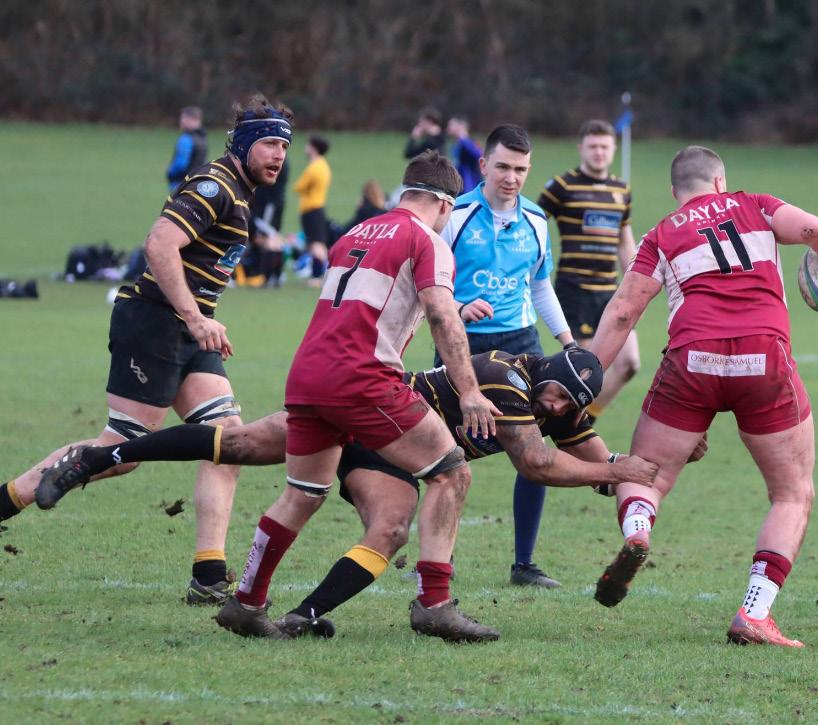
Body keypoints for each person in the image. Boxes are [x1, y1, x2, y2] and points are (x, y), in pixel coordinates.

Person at [36, 348, 670, 638]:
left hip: (386, 451)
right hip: (371, 414)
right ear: (546, 373)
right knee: (240, 444)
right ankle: (100, 456)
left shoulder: (557, 406)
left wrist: (634, 465)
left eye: (567, 405)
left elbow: (594, 459)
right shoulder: (506, 378)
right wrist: (622, 472)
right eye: (555, 395)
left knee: (390, 525)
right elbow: (538, 464)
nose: (555, 407)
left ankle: (300, 617)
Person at [0, 94, 293, 606]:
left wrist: (202, 319)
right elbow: (159, 244)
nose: (279, 155)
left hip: (187, 330)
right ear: (245, 143)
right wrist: (195, 316)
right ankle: (9, 499)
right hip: (154, 324)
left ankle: (208, 577)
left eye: (284, 147)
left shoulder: (241, 194)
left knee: (228, 442)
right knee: (123, 449)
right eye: (270, 143)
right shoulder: (214, 185)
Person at [212, 150, 505, 642]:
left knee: (303, 494)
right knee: (452, 472)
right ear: (444, 204)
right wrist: (470, 391)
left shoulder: (356, 233)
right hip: (362, 377)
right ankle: (434, 604)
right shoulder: (427, 239)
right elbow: (440, 314)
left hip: (308, 375)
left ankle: (246, 602)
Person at [588, 145, 818, 647]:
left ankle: (638, 529)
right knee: (791, 493)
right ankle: (754, 613)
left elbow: (623, 311)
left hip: (692, 359)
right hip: (763, 357)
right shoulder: (756, 205)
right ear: (721, 181)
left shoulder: (661, 234)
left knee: (647, 473)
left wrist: (584, 378)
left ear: (675, 192)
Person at [440, 123, 575, 589]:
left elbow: (540, 286)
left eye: (520, 169)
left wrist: (568, 343)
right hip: (463, 344)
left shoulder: (536, 220)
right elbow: (427, 283)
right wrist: (458, 307)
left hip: (522, 344)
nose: (511, 177)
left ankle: (525, 564)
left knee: (534, 451)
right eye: (502, 167)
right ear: (483, 165)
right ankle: (440, 562)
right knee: (445, 451)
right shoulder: (455, 216)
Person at [538, 119, 639, 423]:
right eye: (593, 146)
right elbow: (532, 225)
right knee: (582, 371)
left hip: (610, 293)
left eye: (604, 147)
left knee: (630, 363)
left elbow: (625, 242)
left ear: (613, 149)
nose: (599, 152)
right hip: (574, 291)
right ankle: (570, 428)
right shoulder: (562, 186)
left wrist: (636, 285)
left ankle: (582, 422)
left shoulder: (622, 190)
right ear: (581, 147)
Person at [293, 135, 333, 281]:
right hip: (319, 208)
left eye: (308, 145)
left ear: (313, 148)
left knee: (315, 244)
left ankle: (320, 275)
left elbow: (298, 187)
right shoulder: (324, 166)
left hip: (311, 209)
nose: (306, 148)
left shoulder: (314, 168)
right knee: (318, 243)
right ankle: (322, 274)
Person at [250, 157, 290, 287]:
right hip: (276, 202)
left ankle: (269, 278)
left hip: (269, 204)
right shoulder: (282, 159)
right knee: (272, 237)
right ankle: (276, 277)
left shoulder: (275, 160)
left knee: (268, 238)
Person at [166, 106, 208, 192]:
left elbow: (181, 163)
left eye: (183, 118)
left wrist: (170, 174)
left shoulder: (186, 139)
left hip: (181, 185)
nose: (181, 121)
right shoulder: (203, 138)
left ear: (191, 119)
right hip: (197, 184)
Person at [447, 115, 483, 192]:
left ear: (461, 126)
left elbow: (479, 155)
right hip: (458, 185)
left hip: (468, 186)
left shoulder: (467, 143)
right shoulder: (457, 143)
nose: (448, 127)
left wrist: (463, 139)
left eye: (451, 124)